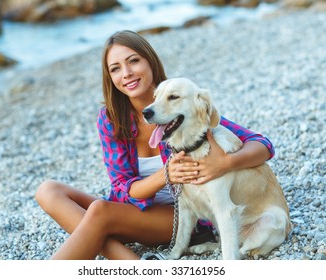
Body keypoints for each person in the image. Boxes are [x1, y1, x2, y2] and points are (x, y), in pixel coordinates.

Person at [35, 30, 275, 260]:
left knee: (99, 212)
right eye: (115, 69)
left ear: (150, 62)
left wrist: (225, 163)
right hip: (133, 211)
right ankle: (134, 262)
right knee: (49, 190)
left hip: (180, 216)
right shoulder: (111, 119)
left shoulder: (180, 102)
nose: (126, 73)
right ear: (110, 78)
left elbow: (262, 144)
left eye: (133, 61)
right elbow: (121, 188)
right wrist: (165, 175)